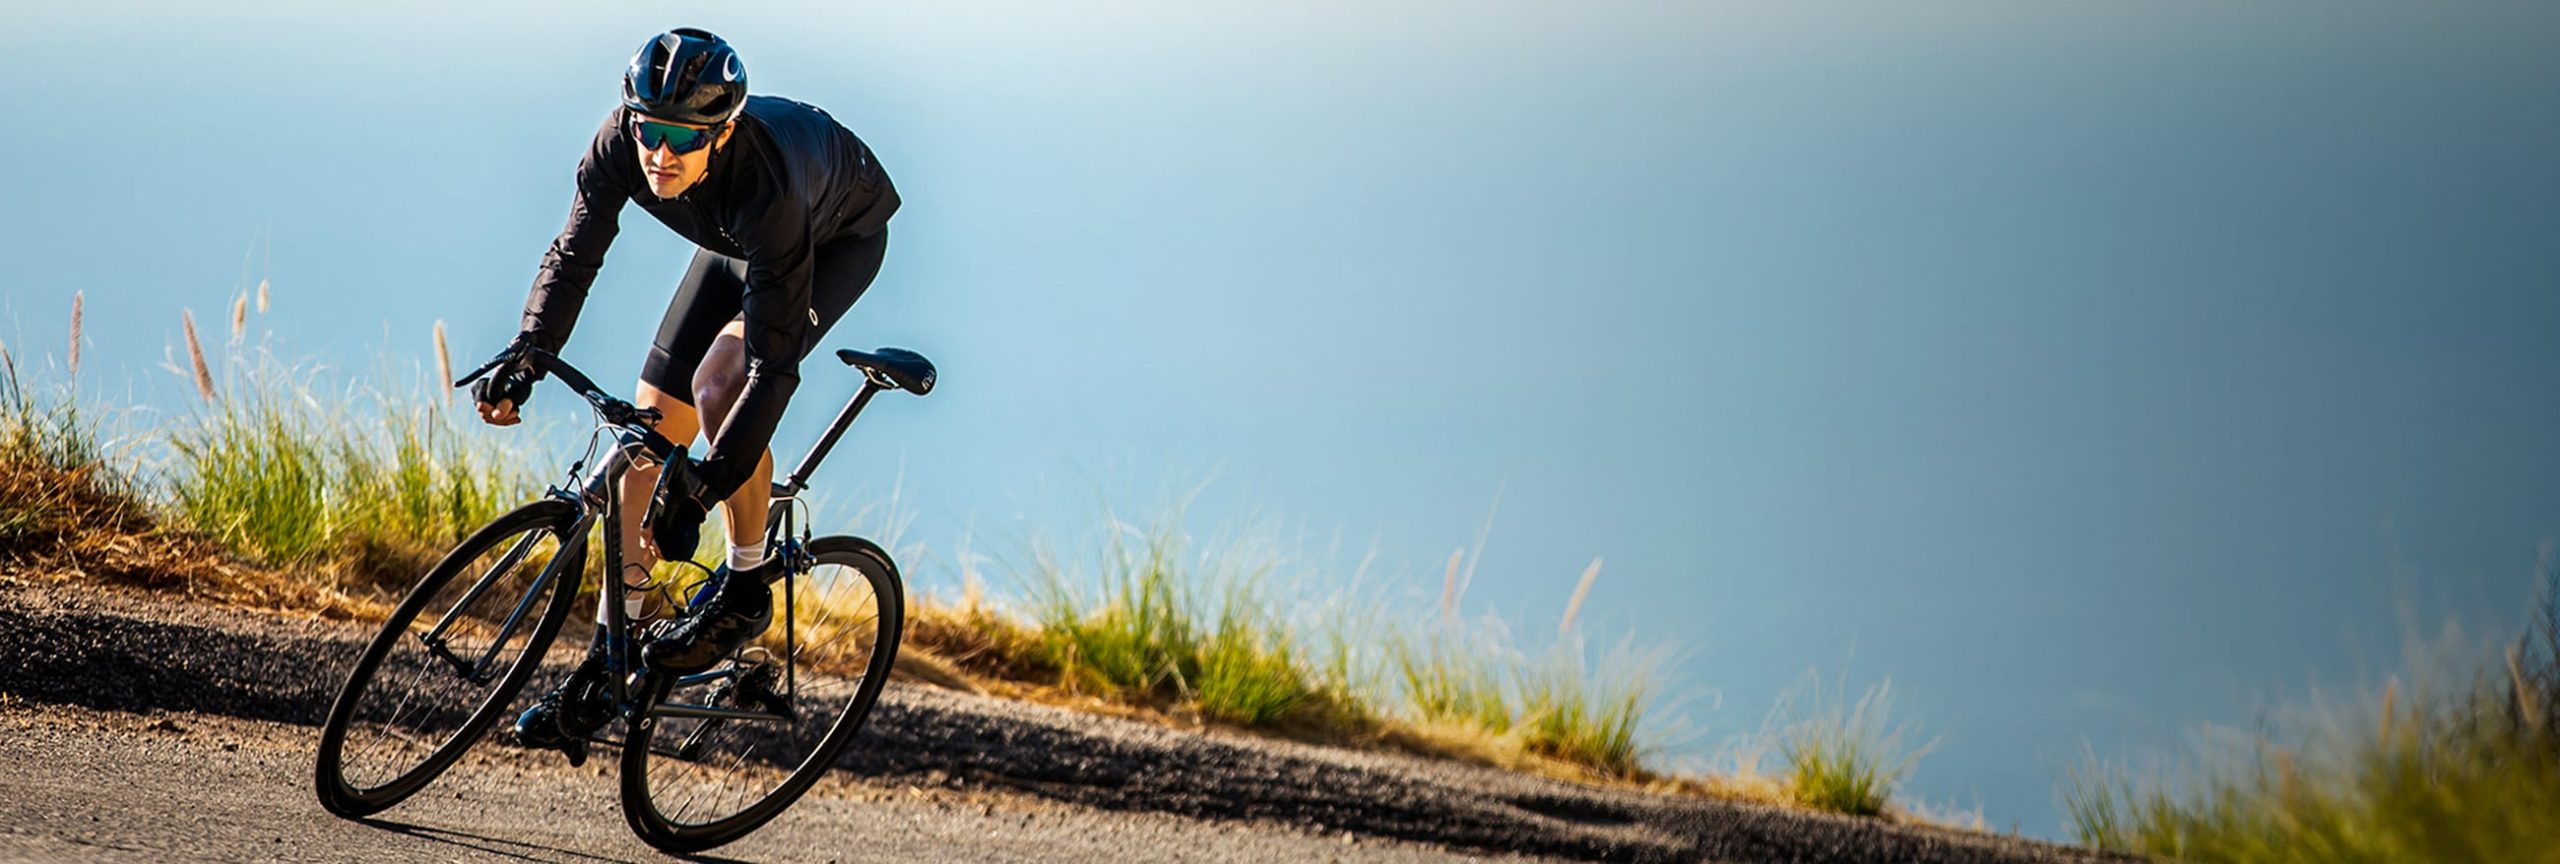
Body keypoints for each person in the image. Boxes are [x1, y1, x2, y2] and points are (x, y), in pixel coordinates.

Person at [470, 27, 900, 759]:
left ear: (721, 133)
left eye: (682, 138)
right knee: (644, 438)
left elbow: (772, 370)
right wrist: (527, 355)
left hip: (828, 239)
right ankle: (608, 672)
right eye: (651, 131)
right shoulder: (620, 145)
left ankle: (743, 585)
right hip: (735, 238)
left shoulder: (769, 187)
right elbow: (573, 256)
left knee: (719, 383)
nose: (661, 154)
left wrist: (700, 492)